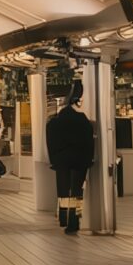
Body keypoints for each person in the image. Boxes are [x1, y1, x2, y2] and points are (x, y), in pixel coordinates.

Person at [46, 81, 96, 235]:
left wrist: (53, 160)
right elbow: (90, 141)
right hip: (80, 160)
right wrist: (89, 159)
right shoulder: (83, 121)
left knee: (63, 190)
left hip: (62, 160)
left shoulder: (54, 123)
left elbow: (50, 143)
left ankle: (63, 218)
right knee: (76, 191)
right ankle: (75, 221)